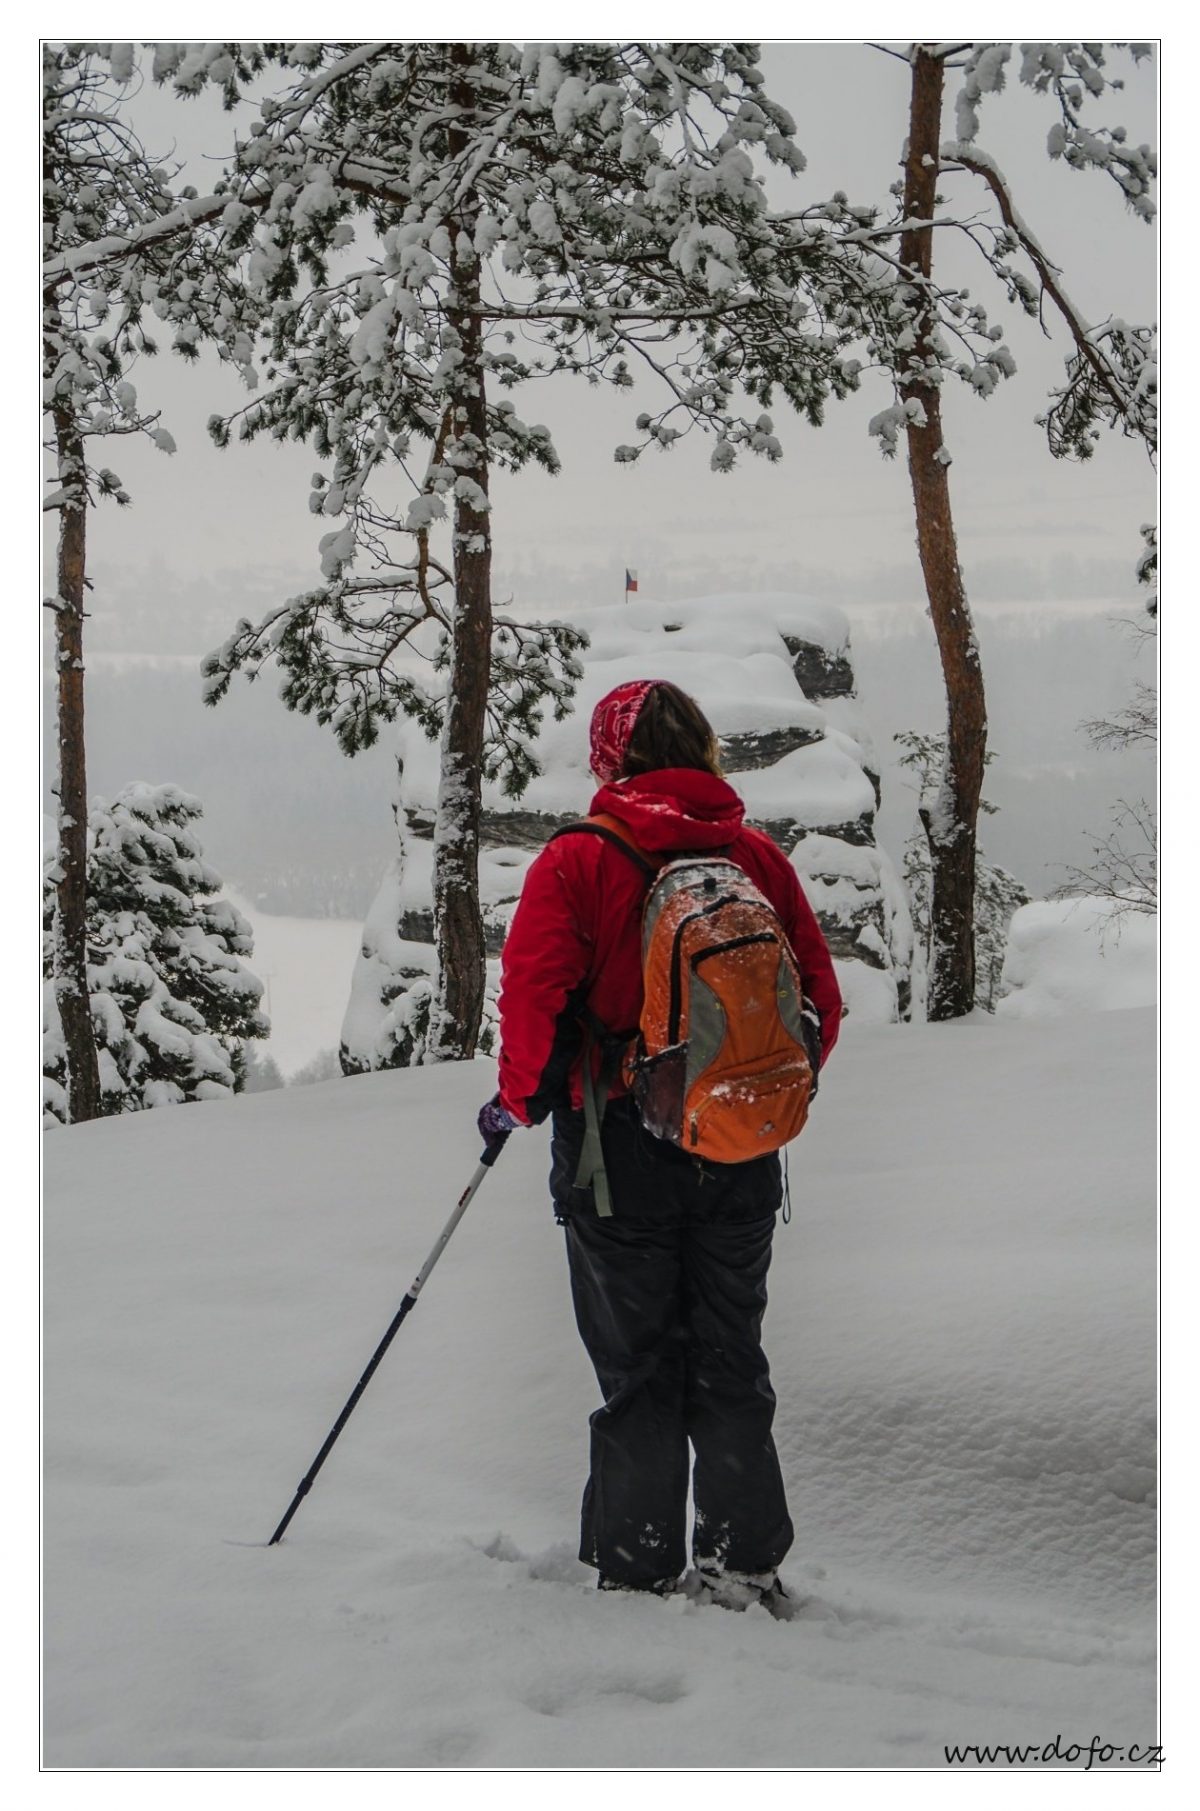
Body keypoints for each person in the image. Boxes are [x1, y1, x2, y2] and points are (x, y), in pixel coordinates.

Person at [477, 678, 842, 1611]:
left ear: (611, 757)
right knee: (731, 1358)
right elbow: (819, 1010)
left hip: (615, 1156)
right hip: (740, 1153)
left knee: (640, 1367)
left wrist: (521, 1101)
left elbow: (532, 1004)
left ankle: (638, 1571)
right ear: (706, 751)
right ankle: (744, 1565)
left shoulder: (579, 861)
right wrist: (745, 1098)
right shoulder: (754, 856)